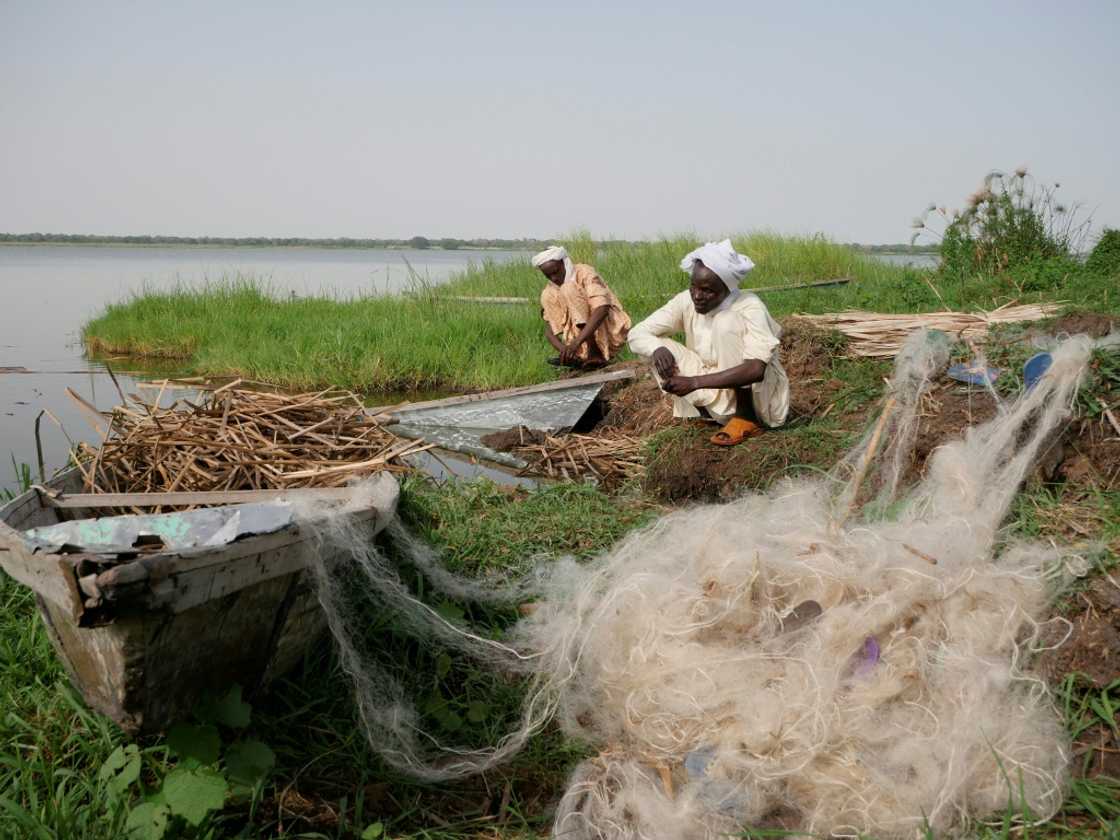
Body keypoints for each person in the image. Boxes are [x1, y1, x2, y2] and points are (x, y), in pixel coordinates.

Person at [628, 239, 789, 445]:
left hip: (760, 401)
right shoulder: (686, 301)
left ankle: (744, 418)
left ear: (727, 289)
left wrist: (694, 383)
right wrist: (656, 348)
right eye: (693, 286)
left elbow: (755, 369)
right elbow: (637, 333)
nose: (697, 295)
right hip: (715, 385)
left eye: (707, 290)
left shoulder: (749, 306)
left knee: (726, 321)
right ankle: (708, 415)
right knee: (655, 345)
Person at [532, 246, 631, 369]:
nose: (554, 278)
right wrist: (565, 351)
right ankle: (582, 357)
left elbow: (602, 308)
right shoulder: (550, 291)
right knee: (547, 295)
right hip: (578, 345)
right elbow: (549, 330)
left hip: (610, 331)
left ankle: (594, 351)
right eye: (548, 276)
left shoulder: (584, 272)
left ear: (564, 263)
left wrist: (576, 343)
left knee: (569, 289)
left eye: (556, 272)